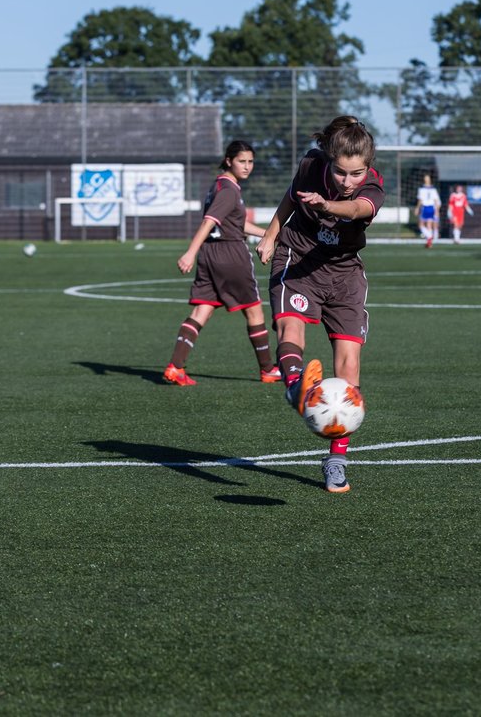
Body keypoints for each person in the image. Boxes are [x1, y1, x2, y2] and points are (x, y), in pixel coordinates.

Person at [256, 115, 383, 494]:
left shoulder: (373, 186)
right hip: (298, 258)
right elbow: (291, 197)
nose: (348, 181)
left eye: (356, 173)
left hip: (344, 272)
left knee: (349, 365)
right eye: (341, 172)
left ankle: (336, 459)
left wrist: (328, 204)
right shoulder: (311, 164)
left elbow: (357, 210)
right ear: (329, 161)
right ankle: (295, 386)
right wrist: (269, 236)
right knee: (289, 325)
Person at [163, 140, 281, 387]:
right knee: (254, 310)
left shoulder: (219, 186)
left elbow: (234, 223)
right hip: (230, 254)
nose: (247, 166)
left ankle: (176, 367)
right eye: (242, 161)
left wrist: (270, 235)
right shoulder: (229, 190)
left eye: (250, 161)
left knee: (202, 310)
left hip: (210, 255)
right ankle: (268, 369)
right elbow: (209, 222)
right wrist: (189, 252)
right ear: (229, 161)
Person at [415, 173, 441, 249]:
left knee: (421, 225)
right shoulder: (433, 189)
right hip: (432, 208)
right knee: (429, 225)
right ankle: (429, 242)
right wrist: (436, 209)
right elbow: (436, 200)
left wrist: (417, 208)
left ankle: (429, 237)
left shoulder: (422, 189)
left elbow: (420, 200)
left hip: (425, 207)